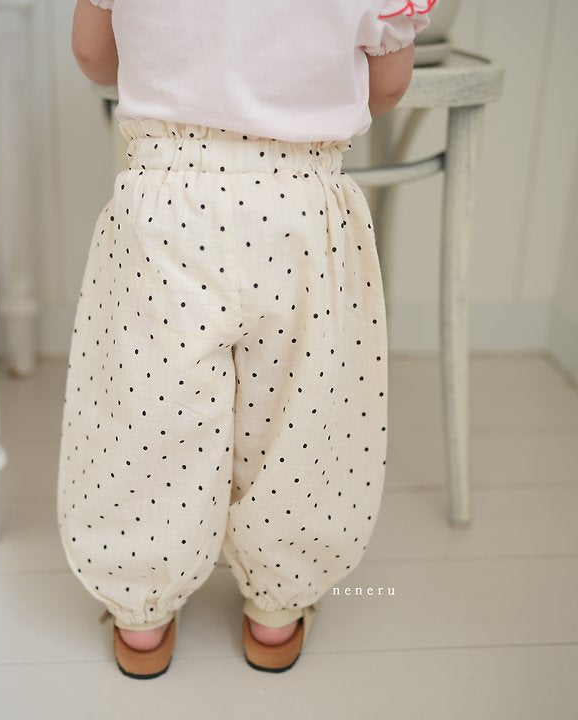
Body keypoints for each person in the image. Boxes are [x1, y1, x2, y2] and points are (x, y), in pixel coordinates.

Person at [58, 0, 438, 678]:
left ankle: (142, 616)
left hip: (165, 200)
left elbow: (94, 56)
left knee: (150, 415)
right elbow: (387, 87)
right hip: (301, 207)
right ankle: (276, 610)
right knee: (297, 414)